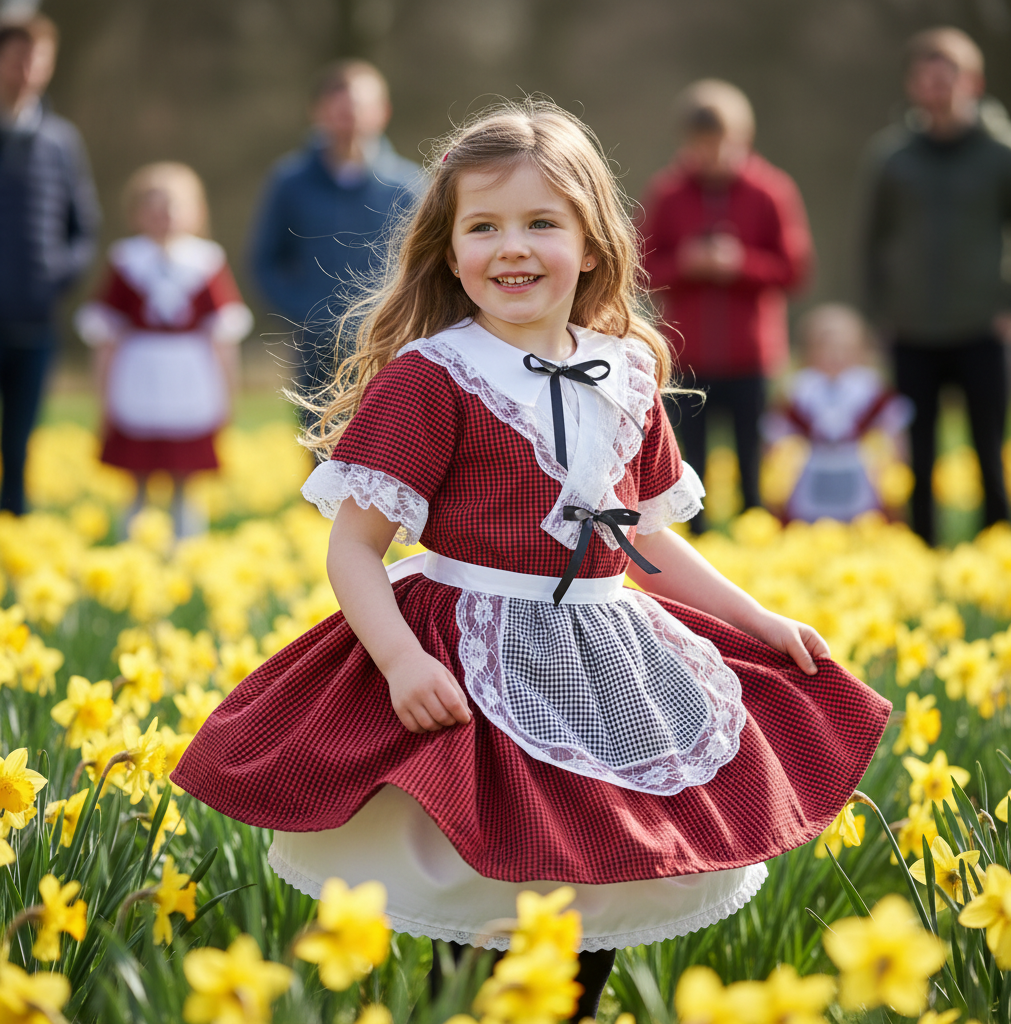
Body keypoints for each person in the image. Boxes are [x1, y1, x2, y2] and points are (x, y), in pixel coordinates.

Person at [171, 99, 889, 1019]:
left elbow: (647, 538)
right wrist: (399, 659)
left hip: (606, 654)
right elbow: (353, 548)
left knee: (591, 902)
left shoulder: (628, 369)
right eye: (485, 226)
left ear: (592, 244)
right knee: (479, 913)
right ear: (450, 248)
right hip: (469, 656)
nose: (513, 247)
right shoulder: (433, 377)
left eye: (542, 223)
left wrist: (759, 620)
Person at [862, 27, 1011, 545]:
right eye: (925, 79)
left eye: (946, 78)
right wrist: (877, 315)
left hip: (983, 328)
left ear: (972, 81)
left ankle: (999, 550)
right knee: (919, 451)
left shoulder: (1005, 154)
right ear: (913, 85)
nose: (936, 90)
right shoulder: (892, 157)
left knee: (989, 447)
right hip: (912, 330)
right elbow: (872, 240)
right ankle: (923, 549)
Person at [641, 80, 813, 530]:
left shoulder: (771, 191)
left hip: (751, 355)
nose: (712, 156)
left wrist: (742, 264)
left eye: (722, 145)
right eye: (701, 146)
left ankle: (753, 537)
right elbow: (642, 269)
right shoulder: (668, 194)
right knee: (686, 463)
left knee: (750, 458)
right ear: (686, 143)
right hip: (687, 354)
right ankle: (699, 544)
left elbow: (794, 270)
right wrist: (687, 263)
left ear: (745, 139)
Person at [75, 162, 252, 536]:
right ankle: (132, 543)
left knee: (185, 475)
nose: (164, 217)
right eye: (154, 207)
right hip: (138, 377)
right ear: (136, 213)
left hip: (190, 379)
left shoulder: (207, 262)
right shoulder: (125, 262)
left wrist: (228, 394)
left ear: (195, 211)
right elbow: (105, 335)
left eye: (173, 206)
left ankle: (186, 546)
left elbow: (223, 337)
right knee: (137, 470)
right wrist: (103, 397)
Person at [250, 59, 421, 407]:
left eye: (360, 108)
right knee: (317, 451)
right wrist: (305, 313)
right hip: (314, 348)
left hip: (389, 343)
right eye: (340, 109)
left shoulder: (410, 186)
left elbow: (429, 262)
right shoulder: (289, 183)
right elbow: (264, 261)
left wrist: (405, 318)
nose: (351, 118)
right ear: (318, 113)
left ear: (382, 112)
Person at [0, 14, 99, 515]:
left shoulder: (61, 142)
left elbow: (83, 229)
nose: (27, 70)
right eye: (17, 57)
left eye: (38, 59)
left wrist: (53, 280)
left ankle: (15, 521)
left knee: (21, 437)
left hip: (36, 320)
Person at [761, 303, 913, 523]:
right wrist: (774, 469)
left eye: (844, 348)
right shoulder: (800, 387)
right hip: (814, 468)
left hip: (857, 466)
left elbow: (892, 422)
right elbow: (776, 428)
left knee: (866, 519)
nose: (835, 355)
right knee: (806, 520)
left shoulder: (868, 386)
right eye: (825, 348)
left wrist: (896, 461)